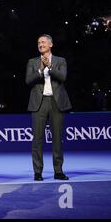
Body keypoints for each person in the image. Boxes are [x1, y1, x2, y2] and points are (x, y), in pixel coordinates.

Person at [25, 34, 71, 181]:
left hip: (56, 102)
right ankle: (37, 172)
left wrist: (50, 66)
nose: (40, 44)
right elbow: (28, 80)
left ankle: (58, 171)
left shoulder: (60, 61)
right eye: (39, 42)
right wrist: (40, 70)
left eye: (43, 42)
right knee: (37, 140)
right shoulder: (32, 62)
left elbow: (63, 77)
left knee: (57, 138)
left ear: (50, 44)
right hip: (39, 103)